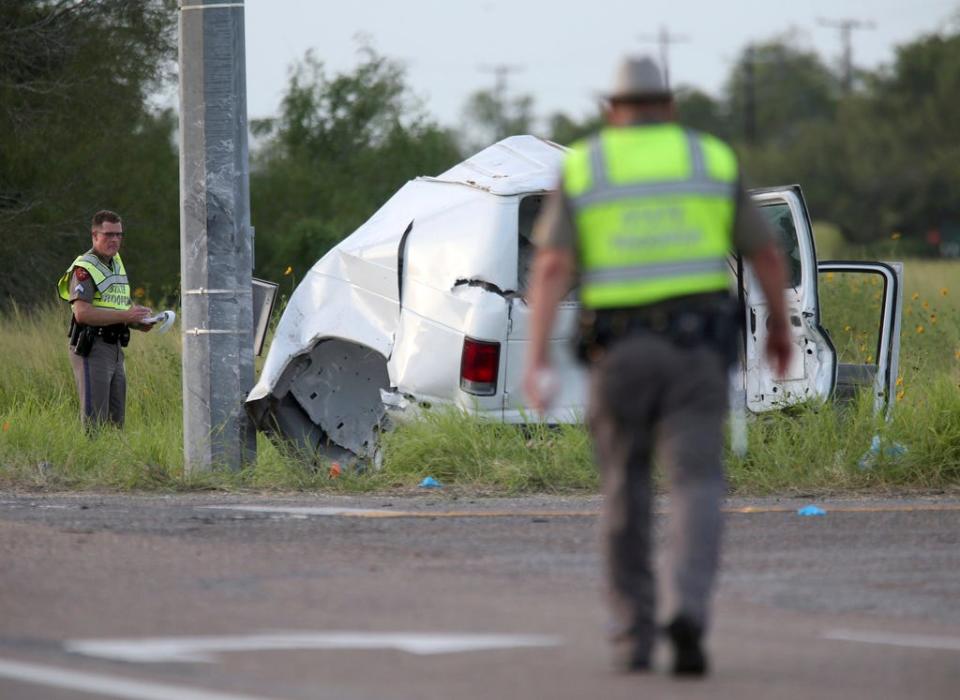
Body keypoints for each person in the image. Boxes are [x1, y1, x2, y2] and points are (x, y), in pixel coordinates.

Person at [523, 56, 791, 677]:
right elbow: (766, 254)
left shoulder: (587, 164)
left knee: (625, 487)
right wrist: (778, 327)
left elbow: (552, 267)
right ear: (669, 106)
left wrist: (537, 358)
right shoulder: (709, 159)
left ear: (611, 110)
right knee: (697, 483)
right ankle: (690, 609)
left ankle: (634, 635)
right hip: (697, 352)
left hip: (620, 356)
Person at [57, 210, 154, 428]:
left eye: (119, 235)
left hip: (116, 347)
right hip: (92, 347)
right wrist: (125, 315)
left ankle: (114, 462)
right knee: (95, 421)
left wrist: (137, 321)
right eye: (108, 234)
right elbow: (82, 313)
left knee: (115, 421)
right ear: (94, 235)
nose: (115, 239)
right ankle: (89, 462)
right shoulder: (85, 267)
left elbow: (116, 306)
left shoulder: (115, 263)